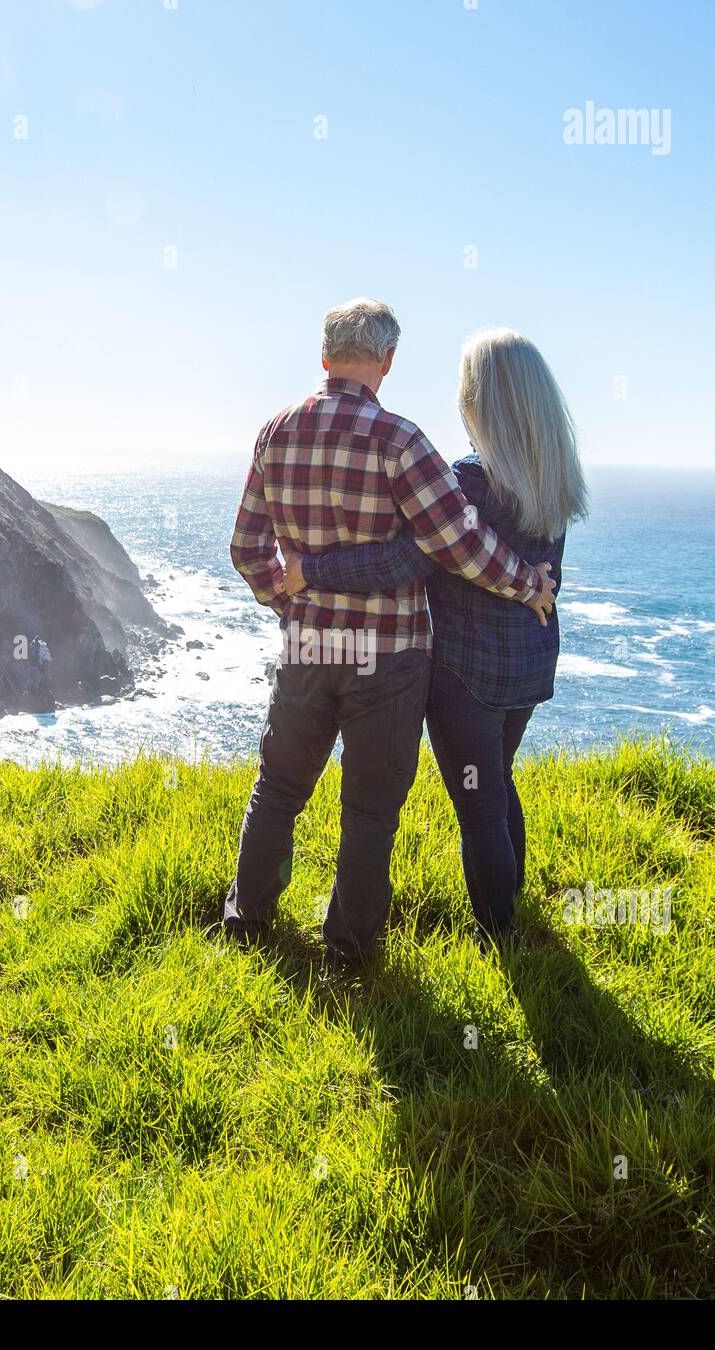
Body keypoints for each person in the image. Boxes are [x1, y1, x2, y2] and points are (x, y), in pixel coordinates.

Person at [225, 300, 555, 966]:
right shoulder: (402, 441)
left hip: (308, 648)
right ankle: (347, 951)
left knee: (279, 788)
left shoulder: (274, 434)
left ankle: (247, 921)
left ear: (323, 355)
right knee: (369, 811)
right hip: (390, 660)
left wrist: (288, 602)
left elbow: (245, 548)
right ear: (387, 360)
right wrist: (528, 585)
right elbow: (458, 543)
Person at [283, 328, 587, 941]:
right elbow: (546, 574)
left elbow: (405, 562)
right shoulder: (555, 475)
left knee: (479, 808)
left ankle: (501, 938)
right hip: (527, 663)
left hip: (463, 673)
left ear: (481, 398)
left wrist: (312, 571)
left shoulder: (469, 481)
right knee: (496, 782)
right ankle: (516, 919)